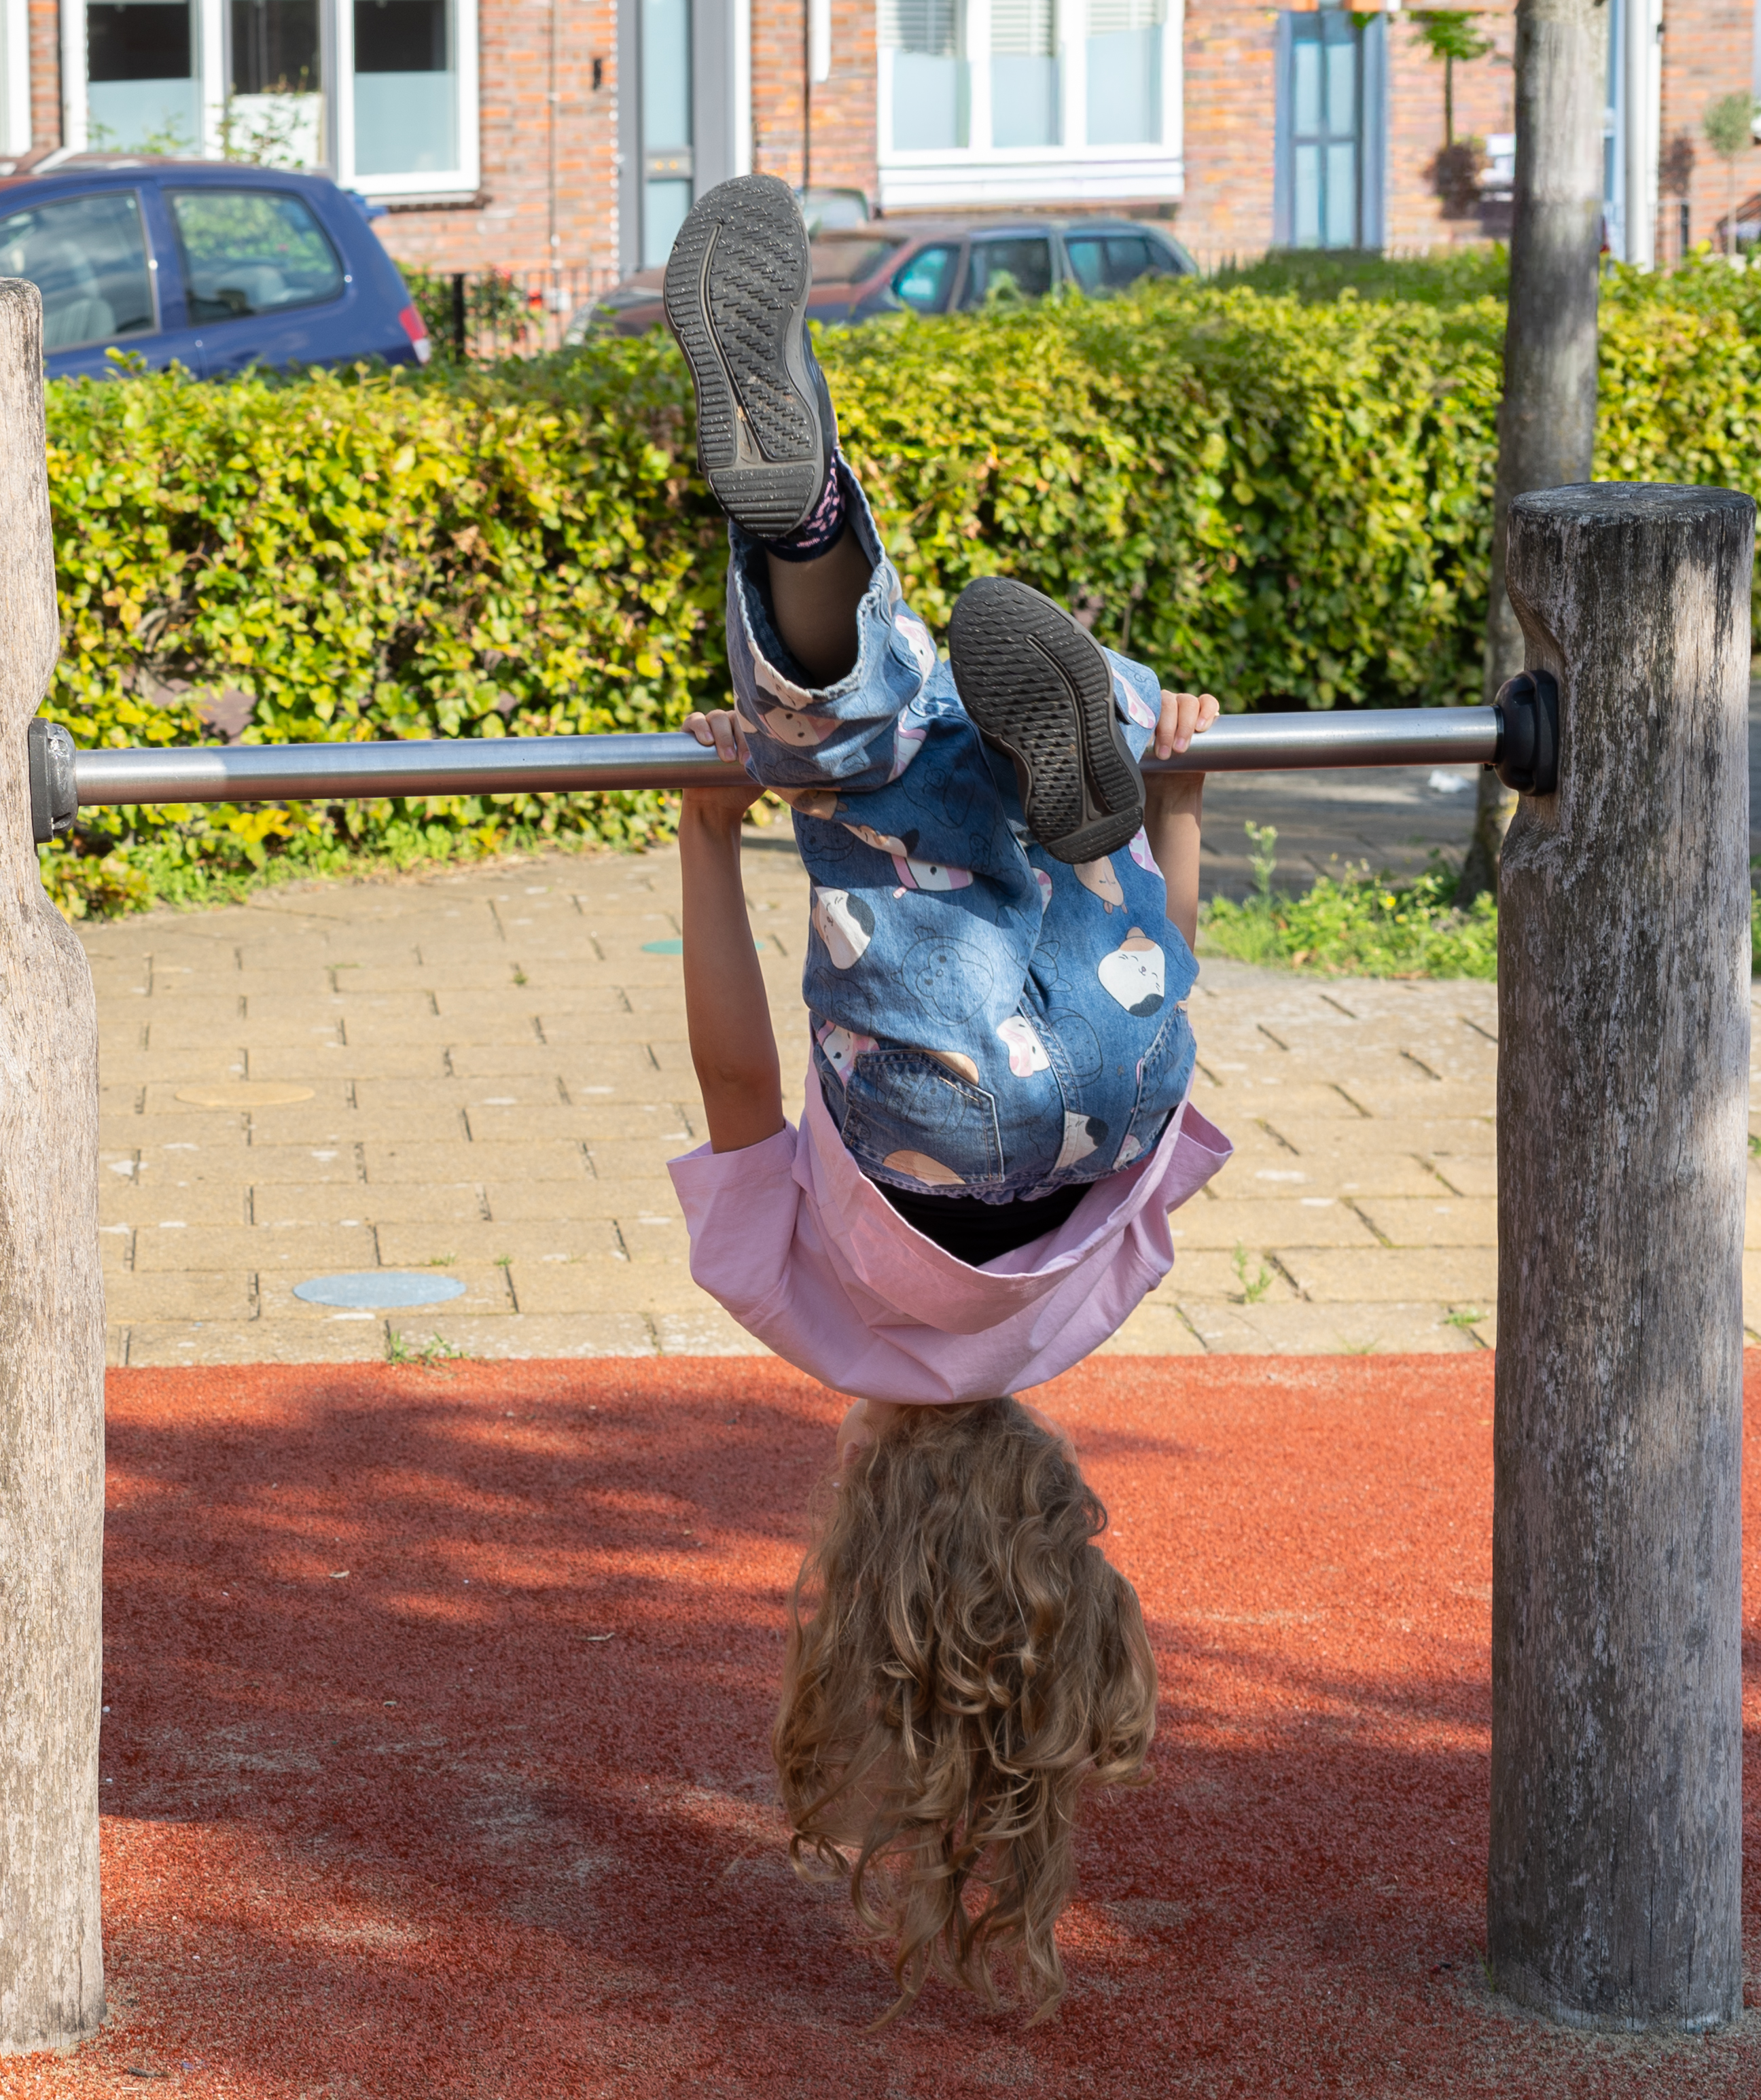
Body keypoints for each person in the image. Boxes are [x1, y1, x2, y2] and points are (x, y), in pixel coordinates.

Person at [658, 173, 1232, 2020]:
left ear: (1057, 1499)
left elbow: (1164, 1054)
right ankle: (806, 533)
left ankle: (1062, 749)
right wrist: (704, 834)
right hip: (928, 1095)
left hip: (1104, 1045)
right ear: (854, 1538)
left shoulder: (1091, 1306)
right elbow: (741, 1077)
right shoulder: (814, 1323)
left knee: (1029, 794)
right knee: (848, 763)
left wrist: (1166, 817)